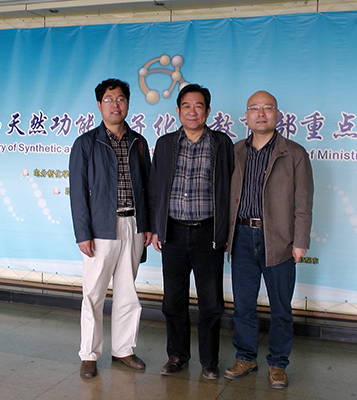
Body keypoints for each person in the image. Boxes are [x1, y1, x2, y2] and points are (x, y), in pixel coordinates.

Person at [224, 90, 314, 389]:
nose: (260, 114)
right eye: (254, 108)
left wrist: (299, 242)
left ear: (278, 114)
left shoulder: (294, 153)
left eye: (267, 108)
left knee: (280, 307)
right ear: (246, 116)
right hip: (241, 237)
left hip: (279, 239)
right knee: (243, 305)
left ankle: (278, 363)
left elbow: (303, 202)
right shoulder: (236, 151)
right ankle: (245, 357)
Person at [148, 84, 234, 380]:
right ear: (178, 111)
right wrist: (156, 229)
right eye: (186, 106)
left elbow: (230, 190)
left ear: (208, 111)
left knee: (211, 303)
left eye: (198, 106)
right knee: (173, 301)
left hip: (208, 233)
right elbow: (154, 189)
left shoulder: (222, 143)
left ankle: (209, 361)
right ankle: (177, 355)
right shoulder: (165, 144)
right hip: (172, 233)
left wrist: (225, 232)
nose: (192, 111)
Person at [69, 78, 152, 379]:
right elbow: (78, 193)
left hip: (133, 226)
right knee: (93, 294)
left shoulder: (138, 142)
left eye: (120, 99)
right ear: (99, 104)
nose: (115, 105)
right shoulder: (86, 143)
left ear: (128, 104)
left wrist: (148, 226)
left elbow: (148, 188)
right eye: (109, 99)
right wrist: (83, 233)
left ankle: (124, 350)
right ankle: (89, 354)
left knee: (128, 292)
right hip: (100, 228)